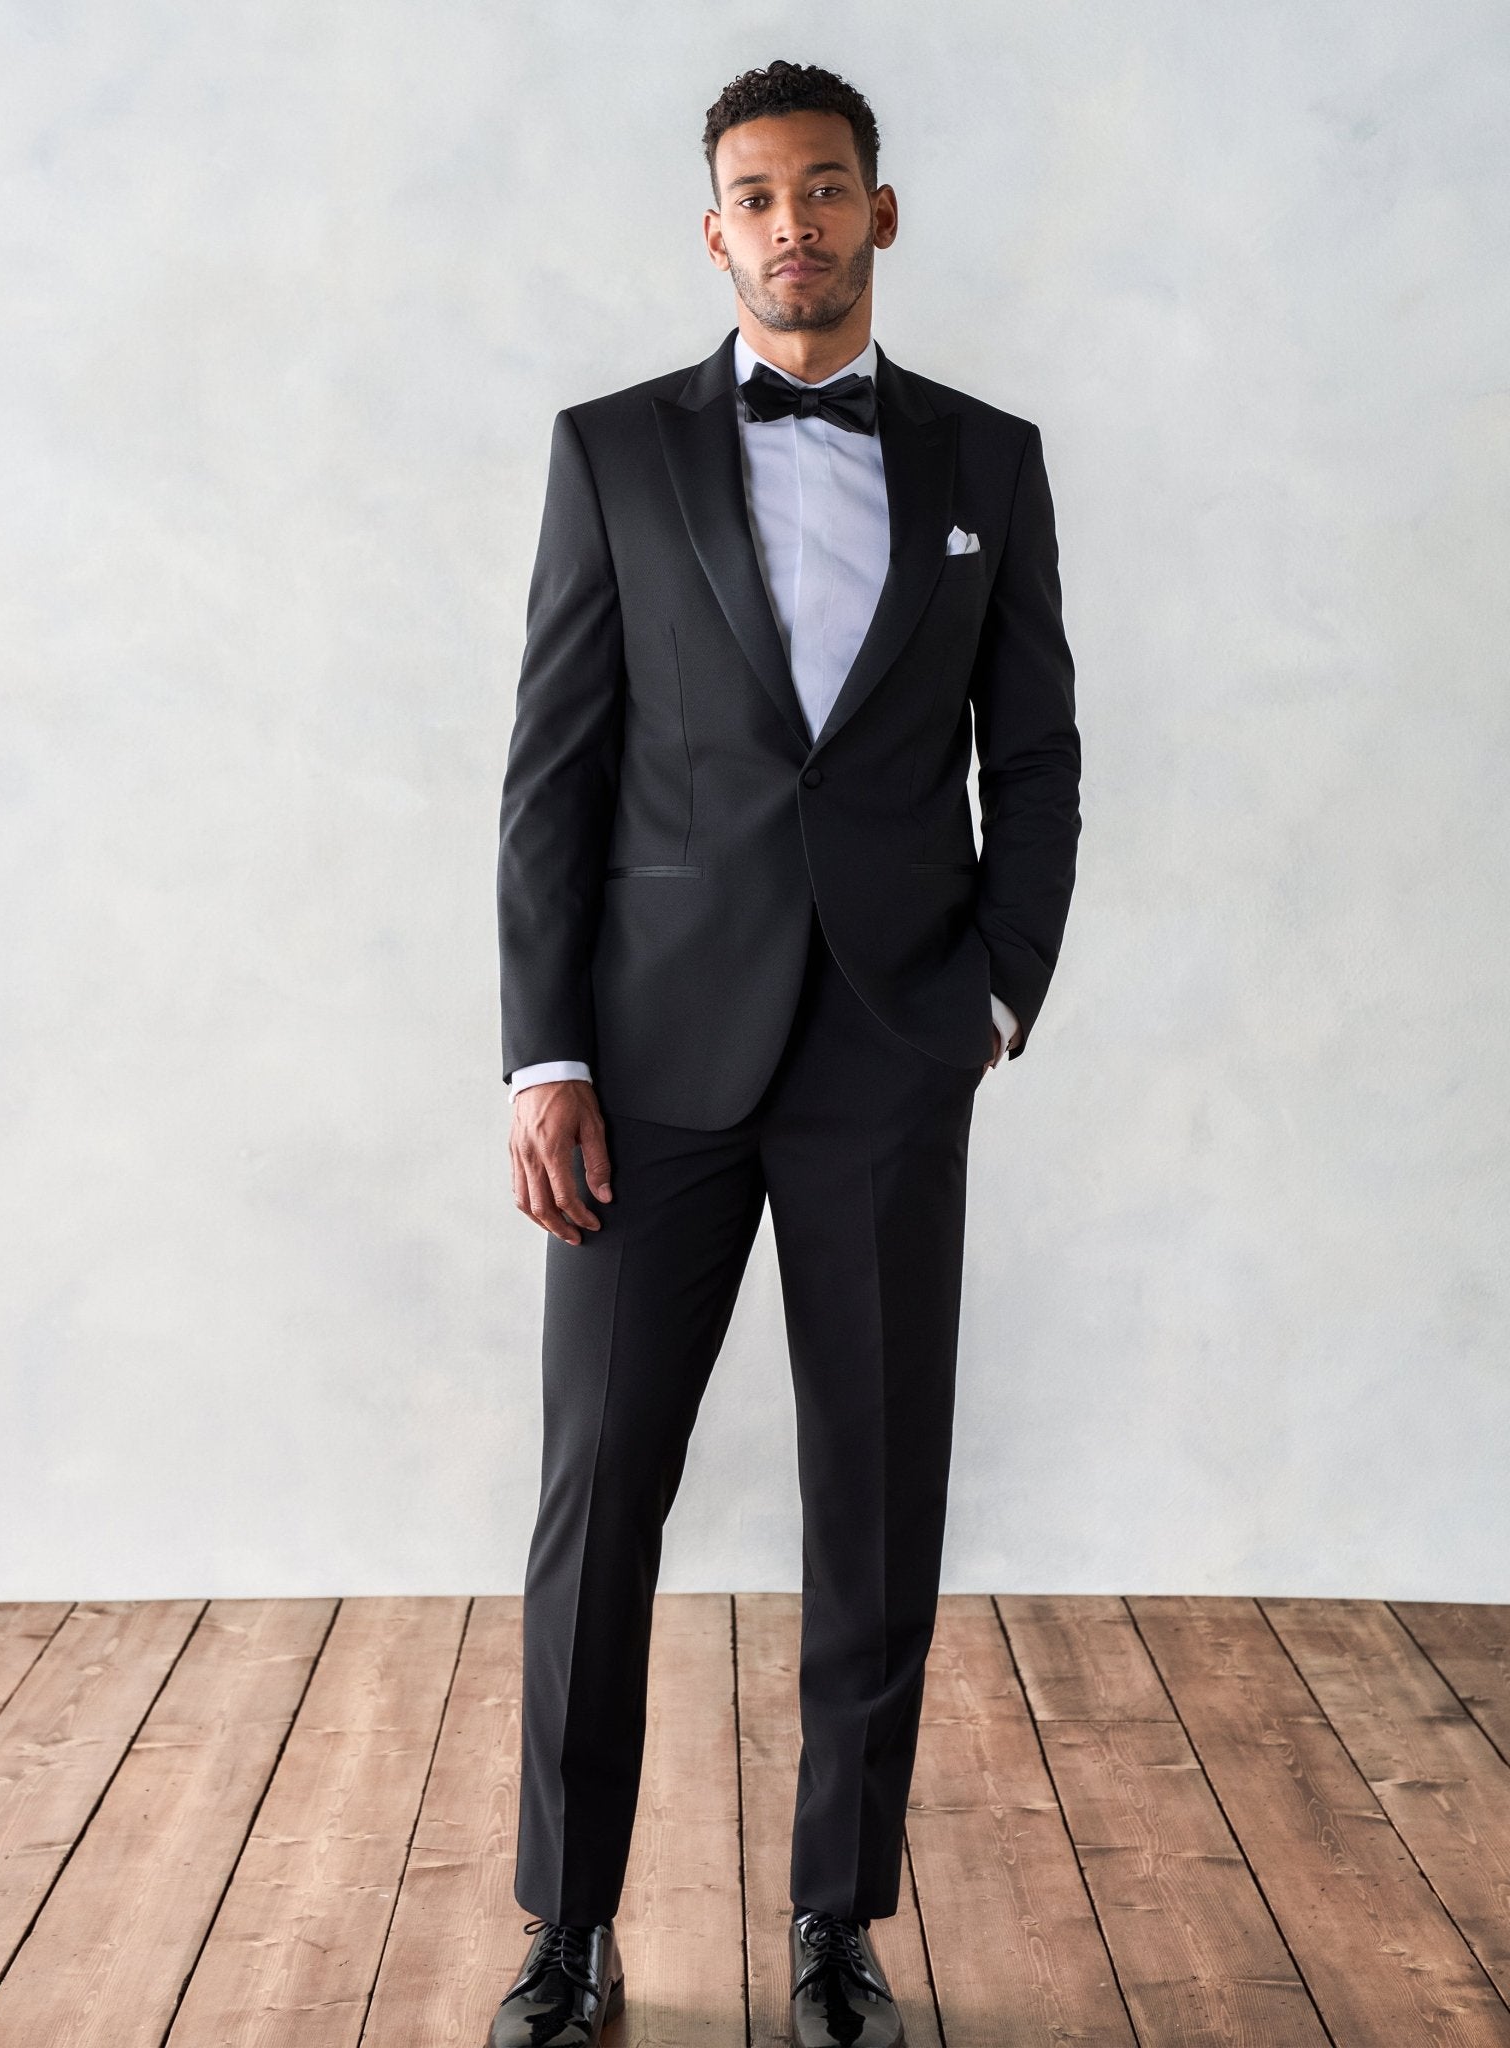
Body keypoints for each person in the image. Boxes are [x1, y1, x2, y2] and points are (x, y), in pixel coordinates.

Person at [490, 57, 1081, 2048]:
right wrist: (543, 1059)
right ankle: (567, 1932)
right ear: (713, 230)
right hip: (647, 1070)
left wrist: (995, 995)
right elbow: (552, 778)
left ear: (879, 214)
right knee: (598, 1504)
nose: (793, 224)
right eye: (756, 195)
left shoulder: (990, 464)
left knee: (877, 1503)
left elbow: (1038, 754)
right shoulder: (611, 453)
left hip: (893, 1060)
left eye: (825, 189)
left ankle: (839, 1927)